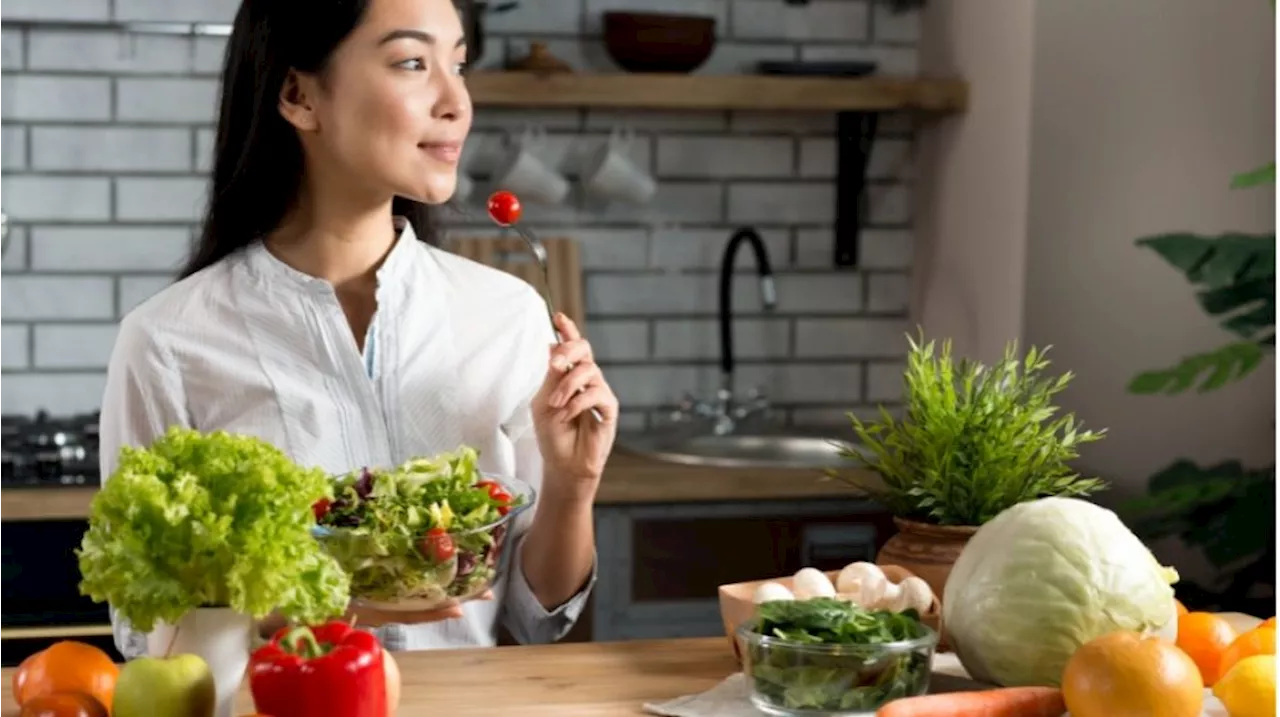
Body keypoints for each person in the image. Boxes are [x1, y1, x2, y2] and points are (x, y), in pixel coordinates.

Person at [100, 0, 617, 657]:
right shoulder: (167, 342)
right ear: (299, 94)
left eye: (458, 64)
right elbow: (147, 629)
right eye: (411, 62)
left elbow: (535, 614)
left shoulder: (507, 314)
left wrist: (574, 489)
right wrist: (322, 598)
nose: (456, 101)